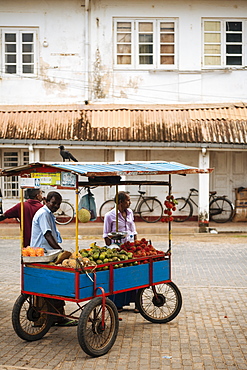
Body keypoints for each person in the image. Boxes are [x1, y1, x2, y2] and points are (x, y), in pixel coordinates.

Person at [30, 191, 77, 326]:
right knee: (57, 283)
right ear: (46, 201)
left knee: (53, 284)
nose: (56, 206)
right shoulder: (44, 214)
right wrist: (60, 251)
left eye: (58, 204)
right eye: (53, 203)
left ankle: (57, 315)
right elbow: (48, 235)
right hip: (42, 255)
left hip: (46, 254)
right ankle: (56, 316)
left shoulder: (48, 214)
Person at [103, 191, 139, 313]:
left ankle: (137, 303)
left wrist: (136, 245)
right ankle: (118, 304)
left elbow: (133, 231)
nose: (130, 202)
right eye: (128, 200)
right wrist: (112, 250)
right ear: (120, 202)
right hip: (117, 250)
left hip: (129, 248)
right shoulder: (110, 215)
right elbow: (106, 235)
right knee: (119, 277)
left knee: (134, 274)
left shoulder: (130, 213)